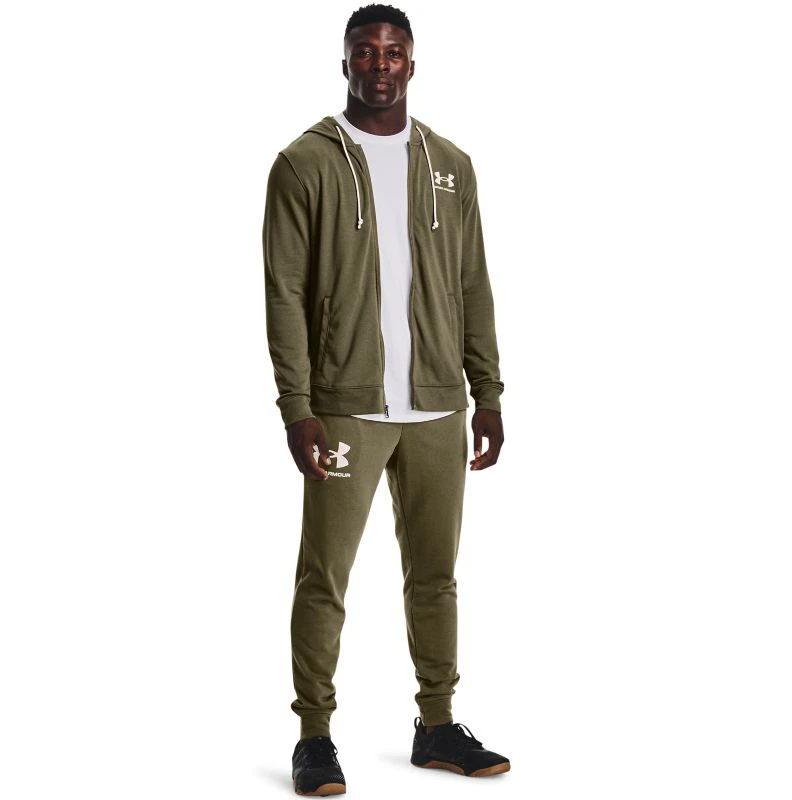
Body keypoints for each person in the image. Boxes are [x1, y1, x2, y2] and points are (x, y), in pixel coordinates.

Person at [262, 4, 509, 794]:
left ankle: (436, 724)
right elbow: (284, 292)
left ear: (412, 64)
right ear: (345, 63)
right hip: (345, 405)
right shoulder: (303, 163)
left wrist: (487, 390)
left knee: (436, 576)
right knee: (324, 578)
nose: (379, 64)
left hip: (438, 405)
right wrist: (298, 406)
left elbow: (473, 284)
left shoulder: (451, 165)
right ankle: (314, 735)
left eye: (393, 51)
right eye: (365, 51)